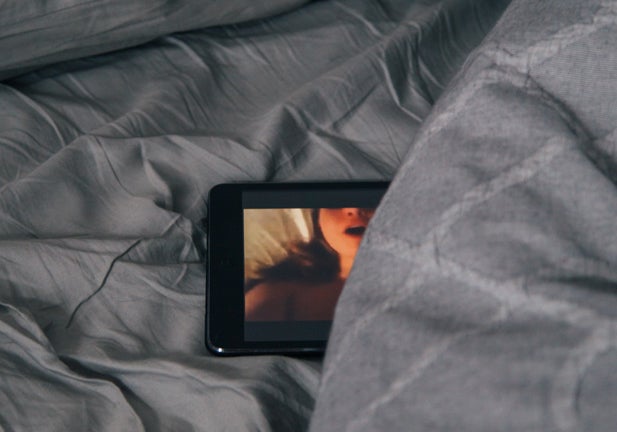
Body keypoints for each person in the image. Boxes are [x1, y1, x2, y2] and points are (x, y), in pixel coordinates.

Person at [244, 207, 376, 321]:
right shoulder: (275, 294)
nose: (354, 209)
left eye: (368, 199)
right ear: (319, 221)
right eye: (335, 202)